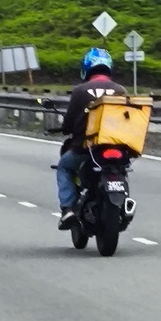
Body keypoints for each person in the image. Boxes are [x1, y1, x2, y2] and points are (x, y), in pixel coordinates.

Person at [55, 47, 122, 227]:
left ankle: (67, 209)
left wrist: (65, 128)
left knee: (64, 167)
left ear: (87, 67)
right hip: (117, 147)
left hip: (86, 149)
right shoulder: (120, 90)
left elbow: (68, 123)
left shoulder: (80, 91)